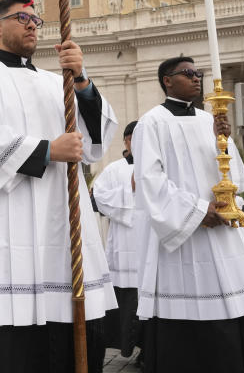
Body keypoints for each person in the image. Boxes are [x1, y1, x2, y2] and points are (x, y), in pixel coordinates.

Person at [0, 0, 118, 373]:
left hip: (61, 218)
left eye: (36, 20)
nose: (31, 24)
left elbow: (95, 141)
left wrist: (83, 82)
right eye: (22, 17)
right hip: (3, 219)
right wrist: (46, 151)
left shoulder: (54, 81)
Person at [132, 56, 244, 373]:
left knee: (232, 310)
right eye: (188, 73)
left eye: (199, 74)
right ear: (167, 80)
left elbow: (232, 175)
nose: (196, 79)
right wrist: (196, 211)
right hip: (184, 240)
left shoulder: (209, 121)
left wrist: (223, 139)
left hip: (222, 234)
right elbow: (150, 182)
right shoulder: (150, 123)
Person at [91, 120, 143, 359]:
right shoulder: (114, 169)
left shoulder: (160, 165)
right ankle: (129, 345)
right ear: (127, 141)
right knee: (130, 303)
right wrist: (128, 191)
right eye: (134, 138)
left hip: (155, 247)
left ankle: (151, 350)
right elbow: (98, 198)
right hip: (126, 248)